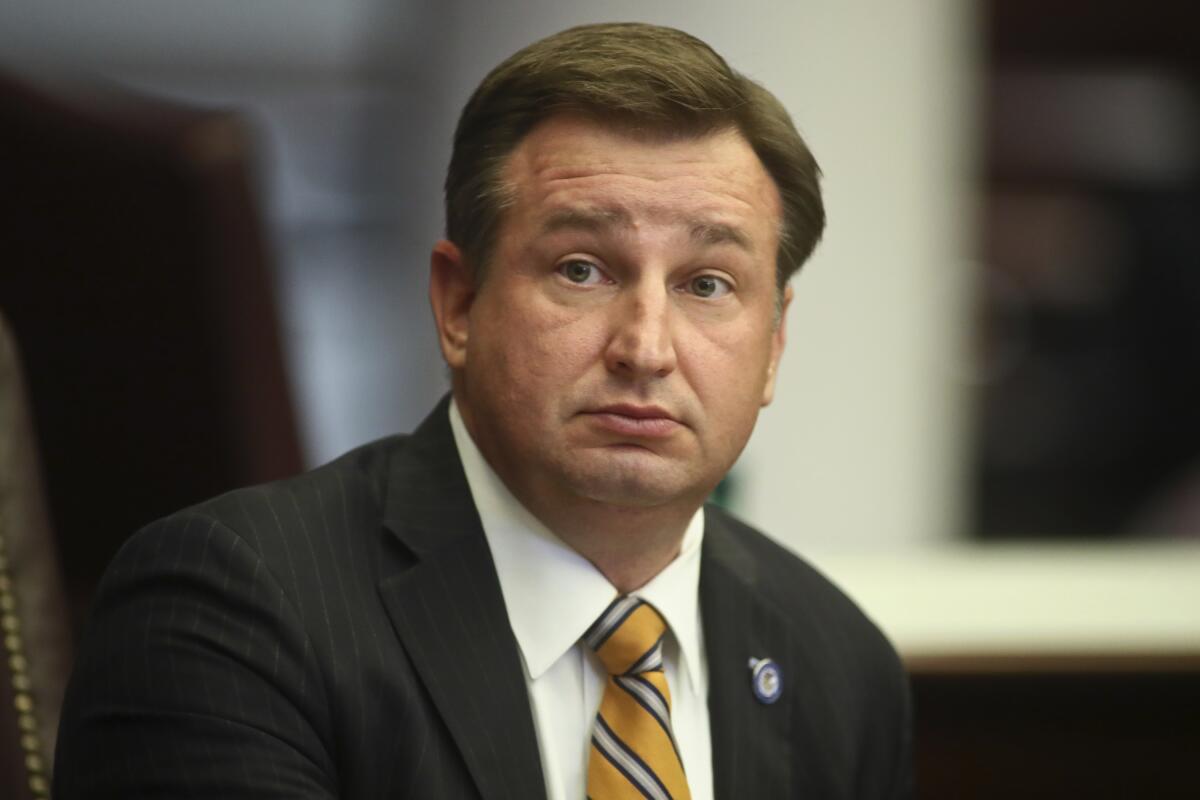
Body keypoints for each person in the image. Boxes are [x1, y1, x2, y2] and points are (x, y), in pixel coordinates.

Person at [55, 22, 911, 799]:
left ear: (774, 344)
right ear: (458, 304)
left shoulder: (835, 660)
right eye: (583, 269)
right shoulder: (232, 607)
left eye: (707, 285)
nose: (647, 348)